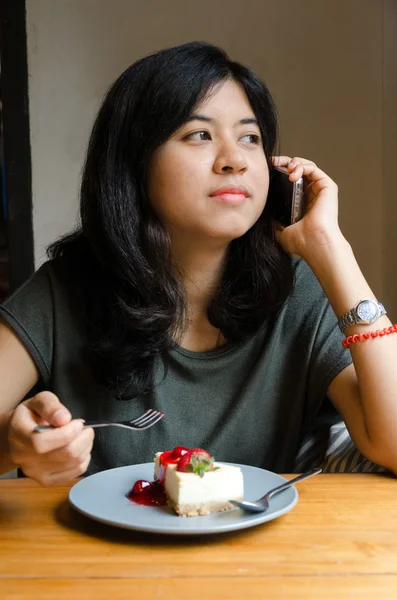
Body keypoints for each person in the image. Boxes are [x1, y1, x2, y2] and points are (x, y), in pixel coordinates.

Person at [0, 41, 396, 487]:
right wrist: (13, 444)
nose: (235, 161)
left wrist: (331, 247)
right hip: (101, 555)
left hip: (260, 556)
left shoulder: (297, 292)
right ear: (134, 163)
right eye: (199, 135)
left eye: (250, 138)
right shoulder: (65, 291)